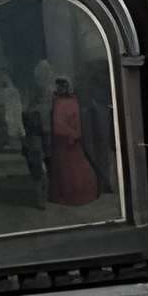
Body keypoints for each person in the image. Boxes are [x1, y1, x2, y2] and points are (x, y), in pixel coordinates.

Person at [45, 75, 103, 207]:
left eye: (63, 85)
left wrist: (75, 134)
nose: (61, 88)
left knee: (77, 167)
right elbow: (57, 123)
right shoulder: (56, 102)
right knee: (63, 169)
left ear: (68, 87)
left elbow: (77, 120)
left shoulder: (73, 101)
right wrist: (69, 133)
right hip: (61, 141)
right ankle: (65, 196)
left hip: (73, 140)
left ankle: (80, 195)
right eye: (59, 85)